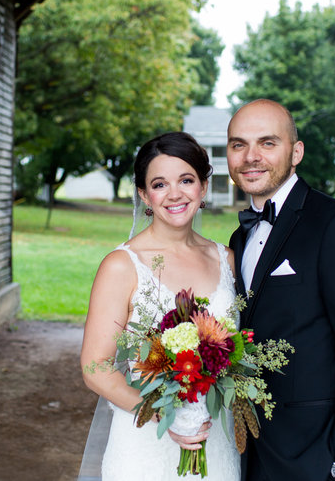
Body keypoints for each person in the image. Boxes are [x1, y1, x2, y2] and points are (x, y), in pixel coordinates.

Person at [226, 99, 335, 481]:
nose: (251, 156)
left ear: (296, 151)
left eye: (267, 143)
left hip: (319, 460)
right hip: (253, 454)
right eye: (238, 144)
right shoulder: (238, 239)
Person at [80, 131, 241, 481]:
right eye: (159, 184)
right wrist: (165, 416)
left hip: (214, 439)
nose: (175, 194)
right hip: (143, 446)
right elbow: (95, 366)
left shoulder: (226, 259)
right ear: (144, 195)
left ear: (203, 188)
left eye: (186, 180)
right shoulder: (122, 265)